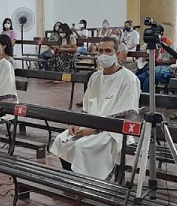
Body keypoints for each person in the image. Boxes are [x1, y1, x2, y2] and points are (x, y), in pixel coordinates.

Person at [49, 37, 140, 179]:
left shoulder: (129, 79)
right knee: (62, 139)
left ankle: (89, 185)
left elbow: (126, 115)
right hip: (90, 125)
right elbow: (87, 107)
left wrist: (94, 130)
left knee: (82, 147)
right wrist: (77, 124)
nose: (103, 54)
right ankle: (71, 180)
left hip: (113, 131)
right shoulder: (95, 77)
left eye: (108, 51)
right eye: (101, 51)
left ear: (117, 54)